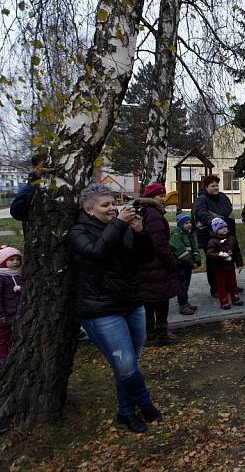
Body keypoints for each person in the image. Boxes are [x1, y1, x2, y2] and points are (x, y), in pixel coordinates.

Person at [67, 183, 161, 433]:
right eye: (105, 205)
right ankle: (145, 403)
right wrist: (119, 223)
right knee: (126, 365)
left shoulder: (122, 226)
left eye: (113, 203)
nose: (112, 208)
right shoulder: (78, 231)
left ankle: (126, 411)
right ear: (89, 210)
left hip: (131, 302)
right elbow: (97, 253)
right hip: (100, 309)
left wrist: (140, 231)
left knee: (129, 364)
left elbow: (144, 258)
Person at [137, 183, 180, 347]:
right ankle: (161, 335)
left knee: (148, 301)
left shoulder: (145, 211)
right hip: (156, 265)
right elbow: (159, 243)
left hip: (146, 264)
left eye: (164, 195)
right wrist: (171, 262)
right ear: (151, 198)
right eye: (160, 196)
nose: (163, 199)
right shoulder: (154, 214)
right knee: (161, 301)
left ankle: (150, 334)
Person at [193, 175, 242, 297]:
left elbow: (229, 210)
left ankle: (229, 286)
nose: (215, 188)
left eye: (216, 185)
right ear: (206, 187)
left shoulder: (223, 196)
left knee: (227, 260)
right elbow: (201, 213)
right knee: (213, 262)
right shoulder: (201, 199)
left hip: (225, 235)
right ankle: (216, 289)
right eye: (212, 186)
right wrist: (215, 222)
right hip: (208, 236)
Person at [206, 218, 244, 309]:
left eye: (225, 227)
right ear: (216, 230)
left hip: (230, 266)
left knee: (233, 283)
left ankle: (235, 298)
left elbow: (237, 252)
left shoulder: (232, 239)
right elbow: (210, 254)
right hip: (219, 267)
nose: (224, 229)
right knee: (221, 285)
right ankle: (224, 301)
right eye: (221, 228)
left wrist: (239, 263)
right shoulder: (213, 241)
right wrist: (221, 255)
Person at [0, 246, 22, 362]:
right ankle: (1, 356)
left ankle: (14, 351)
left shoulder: (18, 274)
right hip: (4, 313)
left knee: (17, 332)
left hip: (18, 310)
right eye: (11, 260)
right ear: (3, 262)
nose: (15, 262)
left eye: (17, 259)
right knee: (3, 334)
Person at [169, 213, 201, 315]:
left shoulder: (190, 234)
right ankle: (183, 305)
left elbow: (194, 248)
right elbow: (181, 251)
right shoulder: (177, 234)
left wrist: (197, 260)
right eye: (186, 223)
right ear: (180, 224)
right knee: (182, 285)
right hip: (180, 265)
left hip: (187, 265)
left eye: (190, 222)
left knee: (186, 284)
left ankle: (186, 303)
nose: (189, 225)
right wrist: (191, 263)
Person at [9, 154, 45, 234]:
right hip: (35, 236)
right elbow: (16, 211)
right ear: (35, 168)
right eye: (42, 167)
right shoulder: (31, 188)